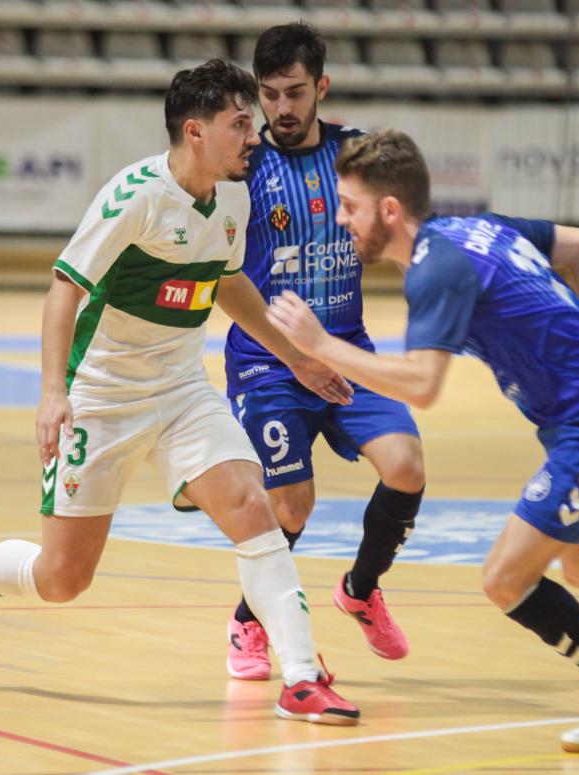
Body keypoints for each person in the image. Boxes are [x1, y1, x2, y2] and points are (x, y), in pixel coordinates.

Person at [265, 129, 579, 752]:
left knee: (506, 578)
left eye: (349, 205)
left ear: (389, 210)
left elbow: (422, 385)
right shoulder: (476, 230)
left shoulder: (437, 269)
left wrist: (320, 347)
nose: (340, 219)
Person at [0, 60, 360, 727]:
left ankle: (298, 676)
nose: (253, 135)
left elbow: (229, 282)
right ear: (194, 131)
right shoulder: (135, 197)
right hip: (102, 395)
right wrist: (52, 392)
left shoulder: (234, 195)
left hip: (180, 388)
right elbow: (64, 287)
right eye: (239, 123)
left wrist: (295, 358)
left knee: (250, 505)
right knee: (64, 577)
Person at [222, 22, 425, 681]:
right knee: (292, 505)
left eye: (296, 93)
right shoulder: (242, 164)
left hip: (345, 348)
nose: (281, 109)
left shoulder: (354, 155)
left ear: (322, 89)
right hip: (267, 359)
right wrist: (293, 355)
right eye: (270, 94)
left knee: (406, 464)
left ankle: (360, 589)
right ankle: (247, 623)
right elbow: (221, 276)